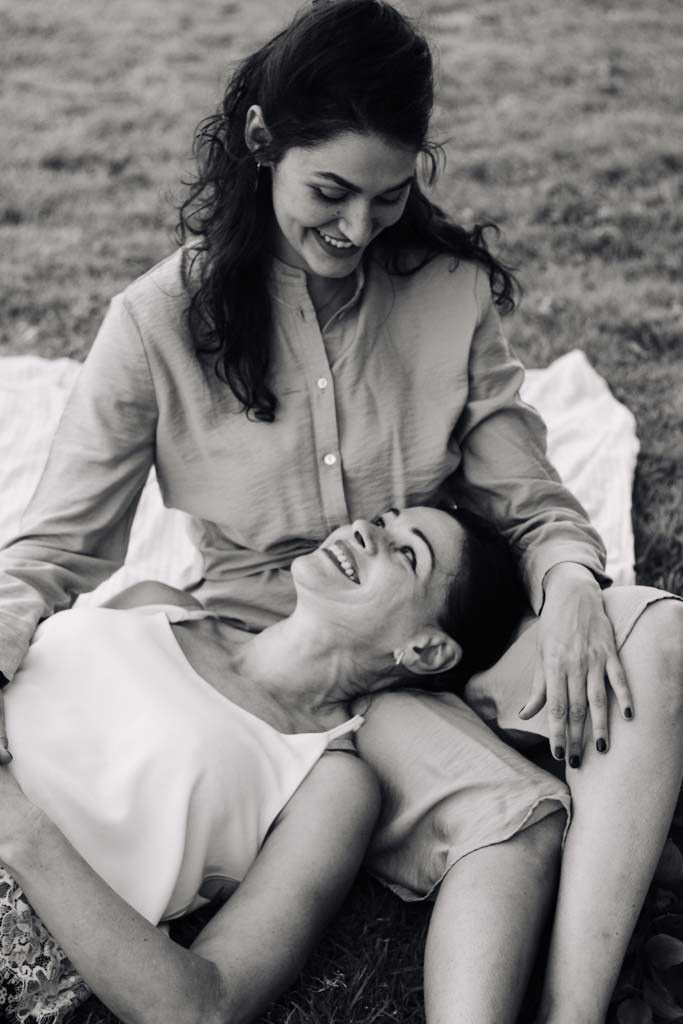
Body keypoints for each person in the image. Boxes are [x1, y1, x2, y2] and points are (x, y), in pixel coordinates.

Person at [0, 1, 680, 1021]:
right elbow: (56, 544)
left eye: (389, 197)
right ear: (262, 143)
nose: (358, 229)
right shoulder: (153, 324)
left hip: (442, 601)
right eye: (331, 192)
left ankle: (574, 1005)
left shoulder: (446, 290)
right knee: (511, 817)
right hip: (284, 658)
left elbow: (522, 492)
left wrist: (574, 582)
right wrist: (8, 622)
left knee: (656, 632)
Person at [1, 506, 568, 1024]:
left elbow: (202, 1006)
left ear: (425, 650)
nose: (369, 533)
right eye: (383, 520)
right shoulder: (156, 600)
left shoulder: (329, 784)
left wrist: (22, 831)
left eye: (406, 552)